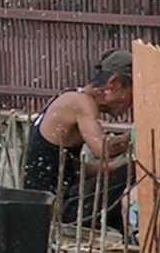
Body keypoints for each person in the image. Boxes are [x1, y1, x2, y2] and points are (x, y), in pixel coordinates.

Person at [22, 46, 137, 226]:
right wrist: (135, 136)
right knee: (134, 173)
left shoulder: (67, 97)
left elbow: (73, 169)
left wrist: (120, 166)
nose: (130, 104)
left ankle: (129, 234)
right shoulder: (81, 102)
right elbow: (102, 150)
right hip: (56, 206)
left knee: (128, 173)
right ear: (113, 82)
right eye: (131, 93)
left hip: (45, 202)